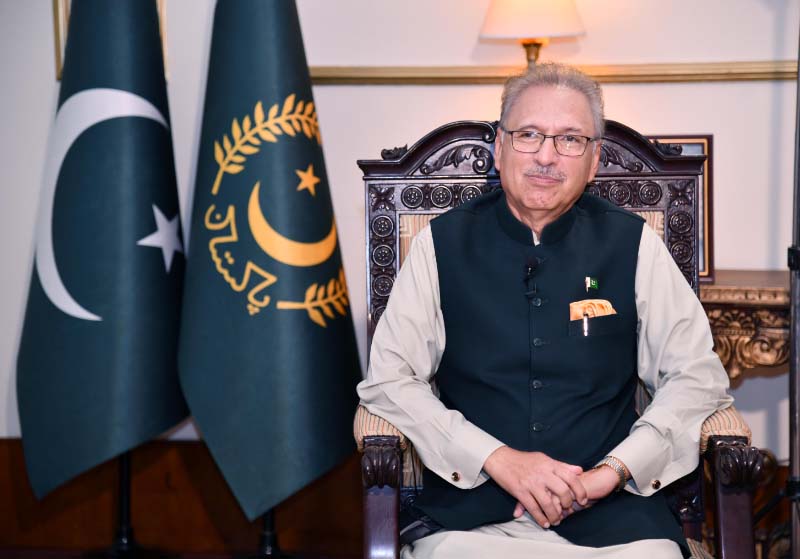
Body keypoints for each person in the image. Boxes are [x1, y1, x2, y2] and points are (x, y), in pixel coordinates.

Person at [357, 62, 732, 559]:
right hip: (474, 519)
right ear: (500, 148)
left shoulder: (634, 243)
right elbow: (389, 381)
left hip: (616, 518)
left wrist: (613, 471)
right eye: (529, 135)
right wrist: (498, 459)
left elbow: (696, 376)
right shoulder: (439, 245)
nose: (547, 156)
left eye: (570, 139)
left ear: (594, 160)